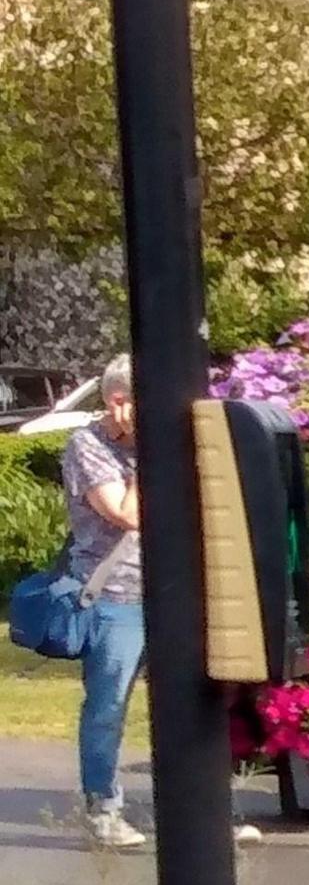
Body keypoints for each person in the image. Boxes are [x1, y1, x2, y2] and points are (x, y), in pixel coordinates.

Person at [59, 358, 145, 850]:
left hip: (175, 592)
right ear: (119, 403)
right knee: (109, 704)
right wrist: (145, 456)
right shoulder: (87, 445)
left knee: (191, 707)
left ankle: (205, 812)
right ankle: (104, 808)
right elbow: (125, 514)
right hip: (116, 596)